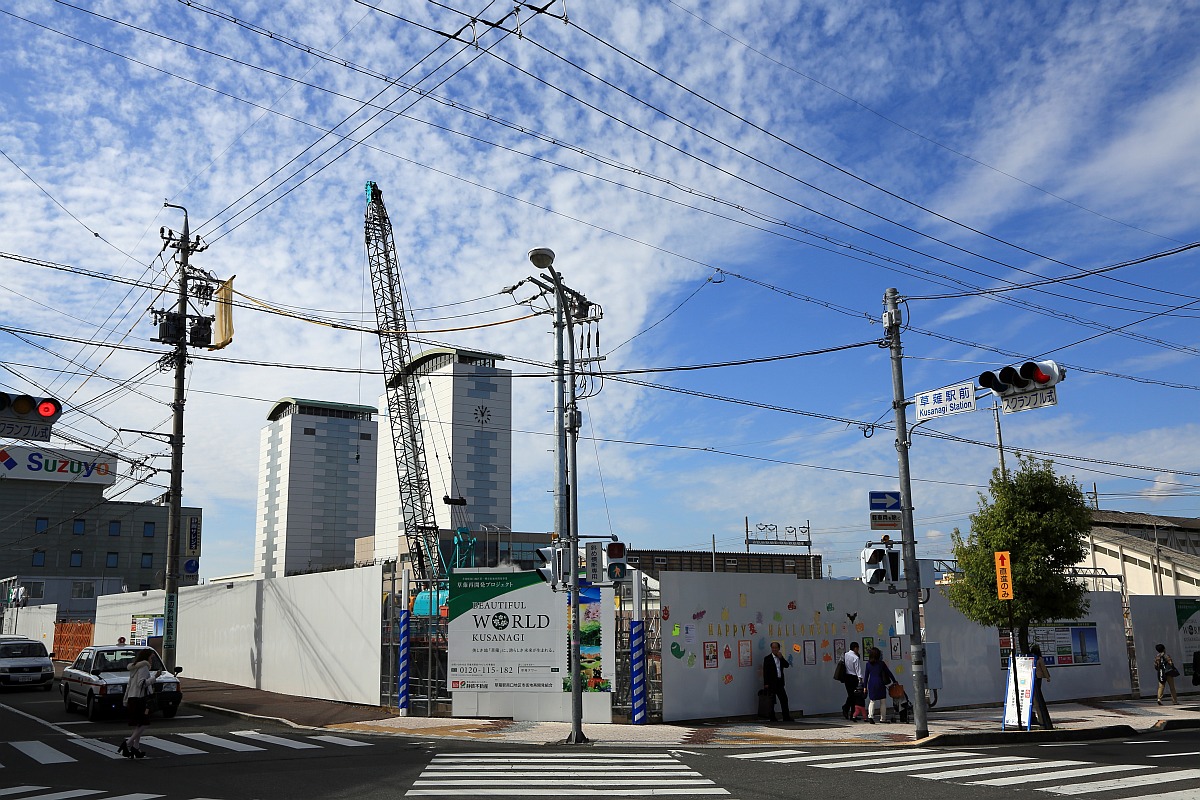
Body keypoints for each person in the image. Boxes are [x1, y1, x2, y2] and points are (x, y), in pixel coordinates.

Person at [119, 649, 156, 759]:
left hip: (132, 697)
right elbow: (142, 683)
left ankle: (136, 748)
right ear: (146, 657)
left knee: (139, 723)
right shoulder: (144, 667)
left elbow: (131, 684)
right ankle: (128, 743)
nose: (151, 660)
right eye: (151, 657)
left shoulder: (135, 667)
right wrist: (155, 678)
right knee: (144, 723)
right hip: (140, 699)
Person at [761, 641, 793, 722]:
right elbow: (765, 672)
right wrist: (766, 683)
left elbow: (787, 665)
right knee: (771, 701)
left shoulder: (780, 657)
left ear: (779, 648)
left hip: (779, 682)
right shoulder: (767, 658)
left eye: (776, 648)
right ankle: (772, 717)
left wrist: (781, 658)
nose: (774, 649)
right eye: (773, 648)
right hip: (771, 683)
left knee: (784, 700)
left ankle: (786, 717)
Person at [862, 646, 894, 724]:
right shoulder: (881, 664)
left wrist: (864, 687)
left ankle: (870, 716)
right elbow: (888, 673)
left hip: (871, 683)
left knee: (872, 701)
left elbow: (866, 676)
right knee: (882, 701)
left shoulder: (868, 664)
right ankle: (883, 718)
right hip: (880, 683)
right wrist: (894, 680)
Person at [1030, 644, 1053, 729]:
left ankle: (1032, 716)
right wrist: (1047, 677)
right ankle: (1041, 719)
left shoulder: (1030, 658)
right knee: (1038, 697)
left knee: (1032, 697)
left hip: (1031, 678)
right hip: (1038, 678)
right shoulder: (1039, 659)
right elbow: (1043, 668)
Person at [840, 642, 864, 720]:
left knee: (851, 695)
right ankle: (846, 708)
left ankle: (852, 714)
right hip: (853, 678)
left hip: (846, 677)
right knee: (853, 696)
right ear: (855, 648)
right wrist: (860, 680)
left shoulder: (845, 655)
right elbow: (858, 670)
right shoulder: (855, 658)